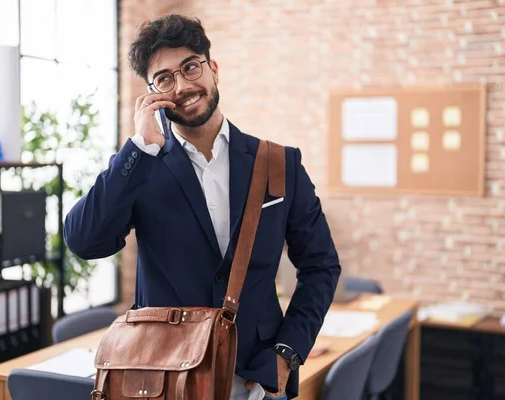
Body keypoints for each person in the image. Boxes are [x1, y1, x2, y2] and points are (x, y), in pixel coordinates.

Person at [64, 14, 341, 400]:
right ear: (152, 91)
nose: (182, 86)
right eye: (164, 78)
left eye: (190, 67)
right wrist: (138, 148)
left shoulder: (280, 164)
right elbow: (84, 242)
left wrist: (287, 353)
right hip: (162, 377)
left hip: (255, 377)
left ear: (212, 69)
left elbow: (321, 265)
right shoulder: (142, 166)